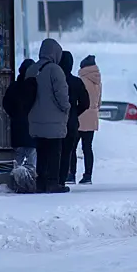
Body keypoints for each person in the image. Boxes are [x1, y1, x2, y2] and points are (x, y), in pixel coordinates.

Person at [25, 38, 71, 193]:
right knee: (54, 152)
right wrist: (67, 108)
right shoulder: (55, 70)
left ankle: (41, 182)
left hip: (35, 119)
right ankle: (53, 182)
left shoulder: (31, 69)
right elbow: (62, 94)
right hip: (54, 120)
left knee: (41, 152)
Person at [3, 59, 37, 193]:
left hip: (17, 127)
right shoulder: (35, 87)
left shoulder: (14, 87)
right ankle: (29, 183)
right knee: (31, 158)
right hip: (32, 127)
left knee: (17, 157)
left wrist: (14, 115)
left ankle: (15, 182)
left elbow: (6, 103)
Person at [58, 51, 90, 186]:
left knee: (53, 151)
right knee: (68, 151)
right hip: (71, 122)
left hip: (55, 122)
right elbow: (85, 103)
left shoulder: (54, 81)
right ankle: (62, 179)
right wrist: (74, 112)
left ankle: (50, 178)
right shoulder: (77, 82)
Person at [71, 55, 102, 185]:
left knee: (72, 147)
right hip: (93, 117)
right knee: (87, 148)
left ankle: (71, 174)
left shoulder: (81, 80)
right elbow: (99, 102)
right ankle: (87, 176)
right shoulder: (98, 81)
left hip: (80, 116)